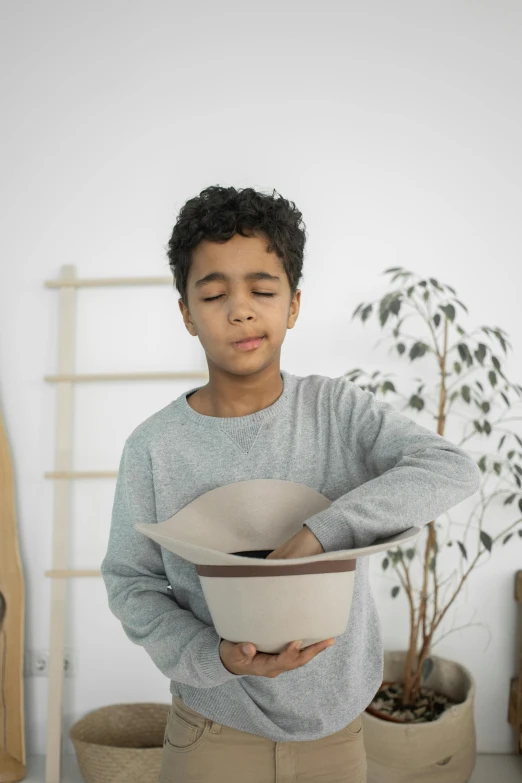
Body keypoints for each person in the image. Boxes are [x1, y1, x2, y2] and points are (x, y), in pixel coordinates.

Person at [100, 185, 481, 782]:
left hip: (337, 731)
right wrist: (214, 655)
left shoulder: (338, 412)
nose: (241, 311)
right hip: (212, 731)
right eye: (215, 293)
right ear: (186, 313)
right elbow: (131, 583)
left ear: (294, 305)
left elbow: (450, 468)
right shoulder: (154, 447)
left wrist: (319, 534)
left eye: (262, 290)